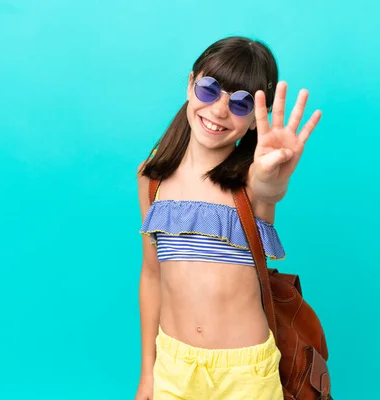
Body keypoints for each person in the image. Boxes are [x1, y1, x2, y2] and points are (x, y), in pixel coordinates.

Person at [134, 36, 321, 400]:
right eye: (209, 89)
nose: (219, 110)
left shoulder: (251, 182)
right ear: (190, 85)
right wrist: (148, 373)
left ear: (254, 120)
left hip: (246, 374)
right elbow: (152, 274)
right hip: (173, 366)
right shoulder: (152, 178)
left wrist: (273, 174)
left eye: (240, 103)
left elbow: (269, 188)